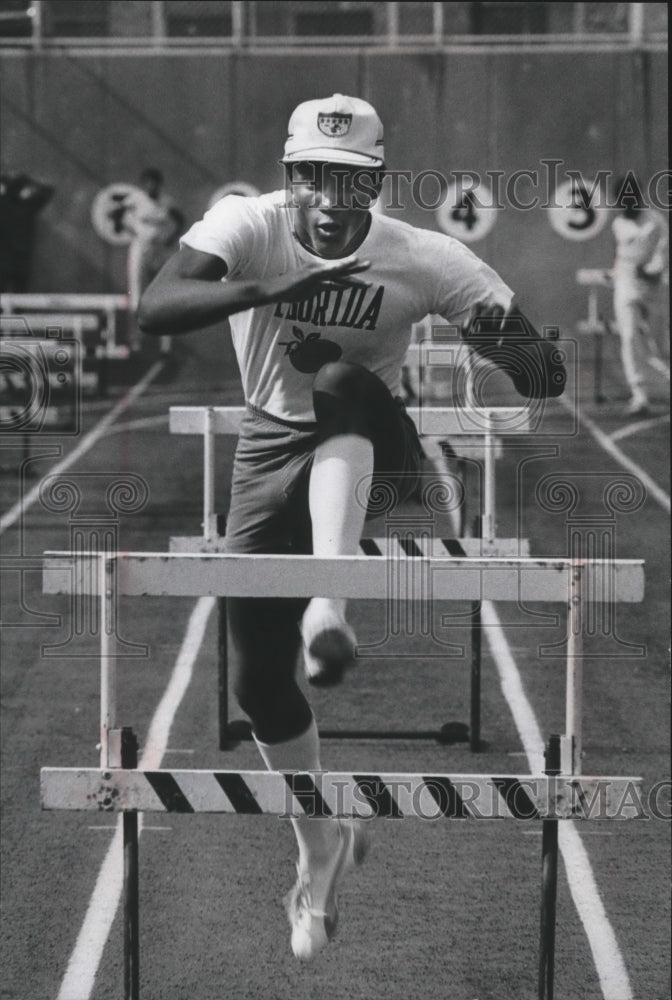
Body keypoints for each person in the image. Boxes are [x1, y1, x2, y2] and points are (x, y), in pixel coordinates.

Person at [138, 94, 565, 961]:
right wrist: (269, 288)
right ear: (291, 176)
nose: (334, 200)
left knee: (339, 381)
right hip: (266, 451)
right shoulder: (247, 225)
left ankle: (329, 607)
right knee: (257, 683)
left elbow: (543, 371)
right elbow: (157, 305)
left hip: (374, 454)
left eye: (354, 183)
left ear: (378, 185)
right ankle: (320, 844)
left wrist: (499, 339)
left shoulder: (418, 257)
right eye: (317, 180)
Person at [610, 174, 668, 416]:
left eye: (629, 199)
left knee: (659, 345)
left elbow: (662, 254)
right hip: (626, 287)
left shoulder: (655, 221)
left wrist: (651, 271)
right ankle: (640, 394)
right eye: (621, 201)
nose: (626, 205)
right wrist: (617, 274)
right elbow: (623, 258)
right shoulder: (619, 224)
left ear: (637, 197)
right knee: (629, 336)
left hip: (654, 289)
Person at [126, 168, 184, 350]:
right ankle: (135, 339)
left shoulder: (166, 202)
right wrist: (132, 230)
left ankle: (165, 345)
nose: (151, 186)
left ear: (159, 184)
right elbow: (117, 214)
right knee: (136, 294)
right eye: (147, 182)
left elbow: (180, 220)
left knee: (164, 294)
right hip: (140, 249)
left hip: (159, 250)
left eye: (154, 182)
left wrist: (170, 238)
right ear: (143, 184)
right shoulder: (135, 199)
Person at [0, 173, 54, 292]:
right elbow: (49, 191)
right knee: (20, 296)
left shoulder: (2, 204)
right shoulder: (29, 205)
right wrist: (34, 181)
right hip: (21, 262)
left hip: (3, 261)